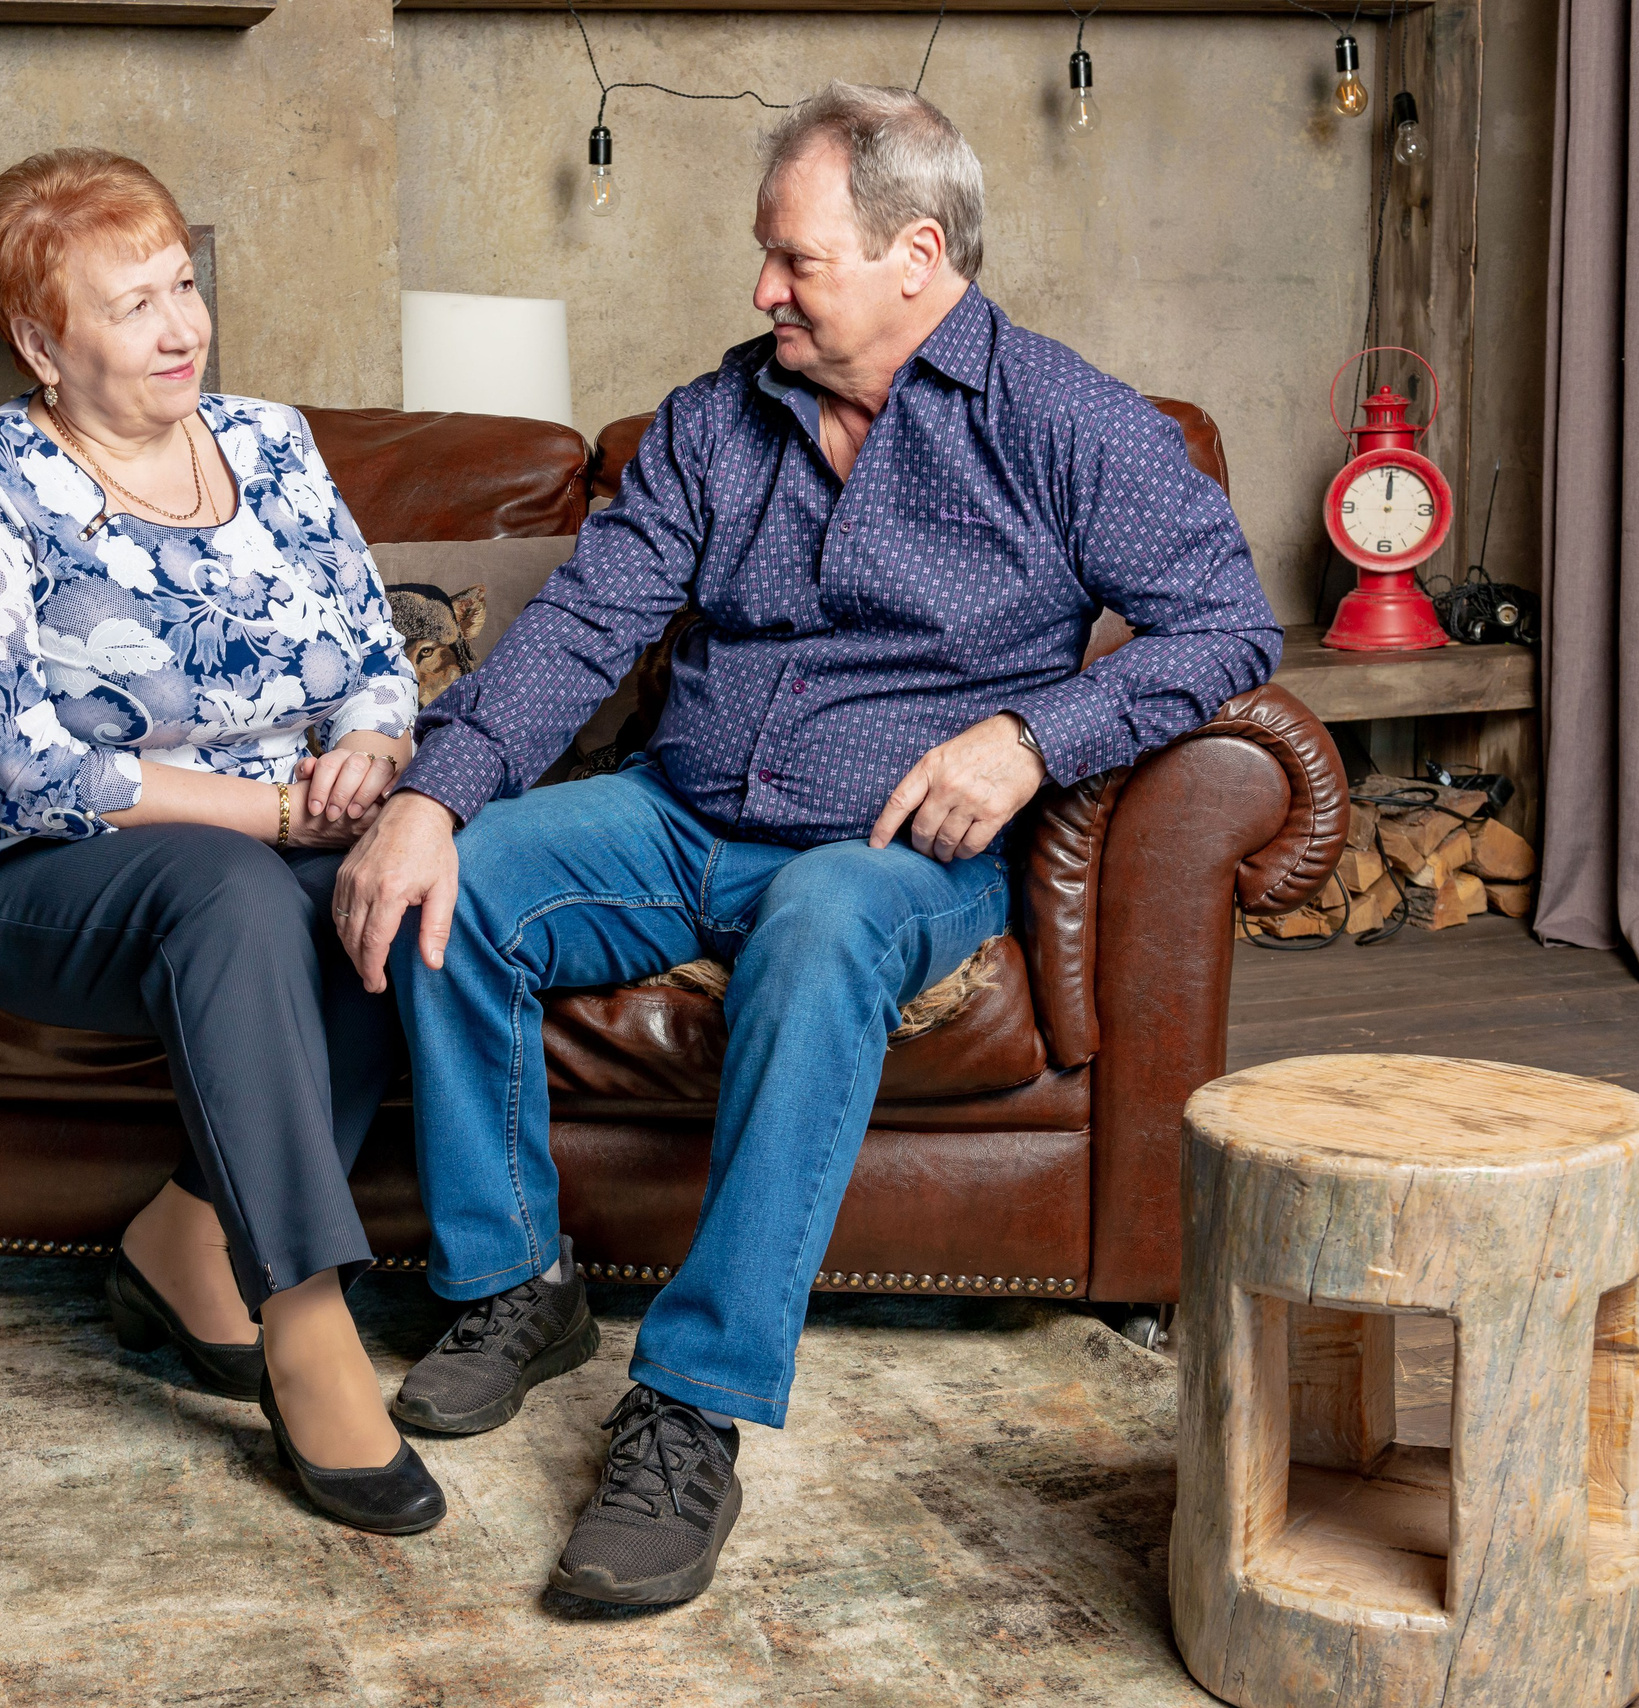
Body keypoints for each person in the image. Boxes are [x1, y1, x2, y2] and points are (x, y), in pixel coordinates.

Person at [333, 83, 1281, 1601]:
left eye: (796, 259)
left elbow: (1228, 624)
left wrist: (1035, 738)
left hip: (887, 854)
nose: (761, 287)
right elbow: (587, 623)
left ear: (918, 255)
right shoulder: (720, 418)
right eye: (764, 257)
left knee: (829, 920)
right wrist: (435, 797)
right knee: (470, 878)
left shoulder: (1065, 422)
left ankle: (692, 1408)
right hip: (679, 811)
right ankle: (515, 1284)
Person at [0, 148, 442, 1535]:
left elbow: (375, 650)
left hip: (270, 844)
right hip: (23, 878)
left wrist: (370, 750)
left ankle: (184, 1235)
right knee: (242, 895)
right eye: (133, 306)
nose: (181, 327)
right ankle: (309, 1334)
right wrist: (268, 807)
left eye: (183, 286)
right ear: (40, 340)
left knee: (376, 887)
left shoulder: (270, 441)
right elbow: (17, 765)